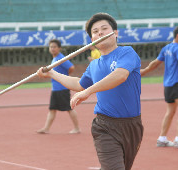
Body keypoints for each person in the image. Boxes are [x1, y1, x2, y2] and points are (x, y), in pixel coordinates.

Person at [37, 13, 143, 170]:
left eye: (104, 29)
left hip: (132, 125)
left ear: (115, 33)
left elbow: (121, 75)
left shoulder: (126, 53)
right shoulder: (94, 66)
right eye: (95, 31)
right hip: (105, 126)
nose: (99, 33)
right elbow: (79, 84)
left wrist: (89, 91)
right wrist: (52, 73)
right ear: (92, 40)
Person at [36, 39, 80, 134]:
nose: (52, 49)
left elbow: (71, 67)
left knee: (69, 108)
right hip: (55, 89)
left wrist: (65, 77)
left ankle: (77, 128)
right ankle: (46, 128)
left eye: (54, 47)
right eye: (51, 47)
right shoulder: (54, 59)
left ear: (59, 48)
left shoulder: (61, 58)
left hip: (62, 89)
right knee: (52, 109)